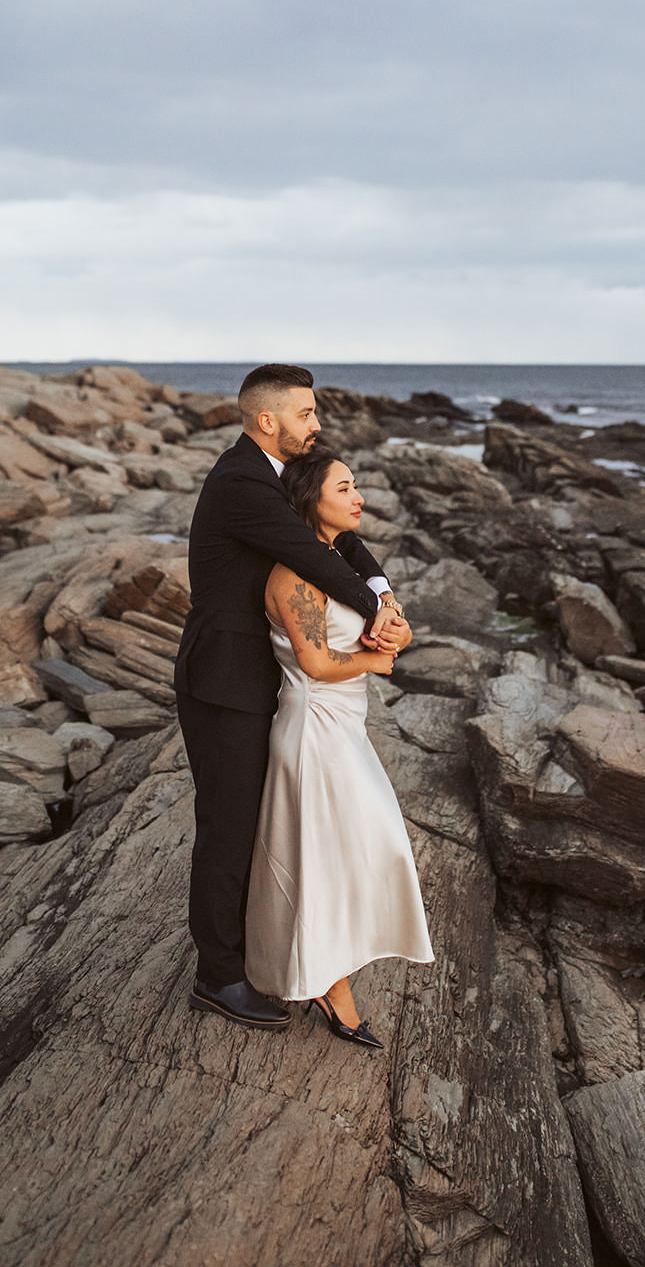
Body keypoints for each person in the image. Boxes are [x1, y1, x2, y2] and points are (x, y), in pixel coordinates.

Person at [174, 364, 410, 1031]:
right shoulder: (240, 481)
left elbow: (338, 538)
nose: (316, 424)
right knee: (229, 827)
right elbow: (304, 554)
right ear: (266, 419)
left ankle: (266, 949)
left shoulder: (274, 479)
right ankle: (217, 977)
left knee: (263, 823)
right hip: (225, 679)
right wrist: (378, 618)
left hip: (265, 677)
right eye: (306, 414)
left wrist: (383, 595)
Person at [244, 449, 434, 1048]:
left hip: (345, 727)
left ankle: (331, 973)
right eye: (346, 488)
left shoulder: (336, 560)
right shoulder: (294, 575)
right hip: (314, 729)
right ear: (310, 499)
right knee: (336, 858)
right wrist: (379, 659)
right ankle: (332, 987)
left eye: (357, 487)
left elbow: (380, 613)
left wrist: (396, 623)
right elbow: (317, 661)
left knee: (358, 854)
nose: (359, 498)